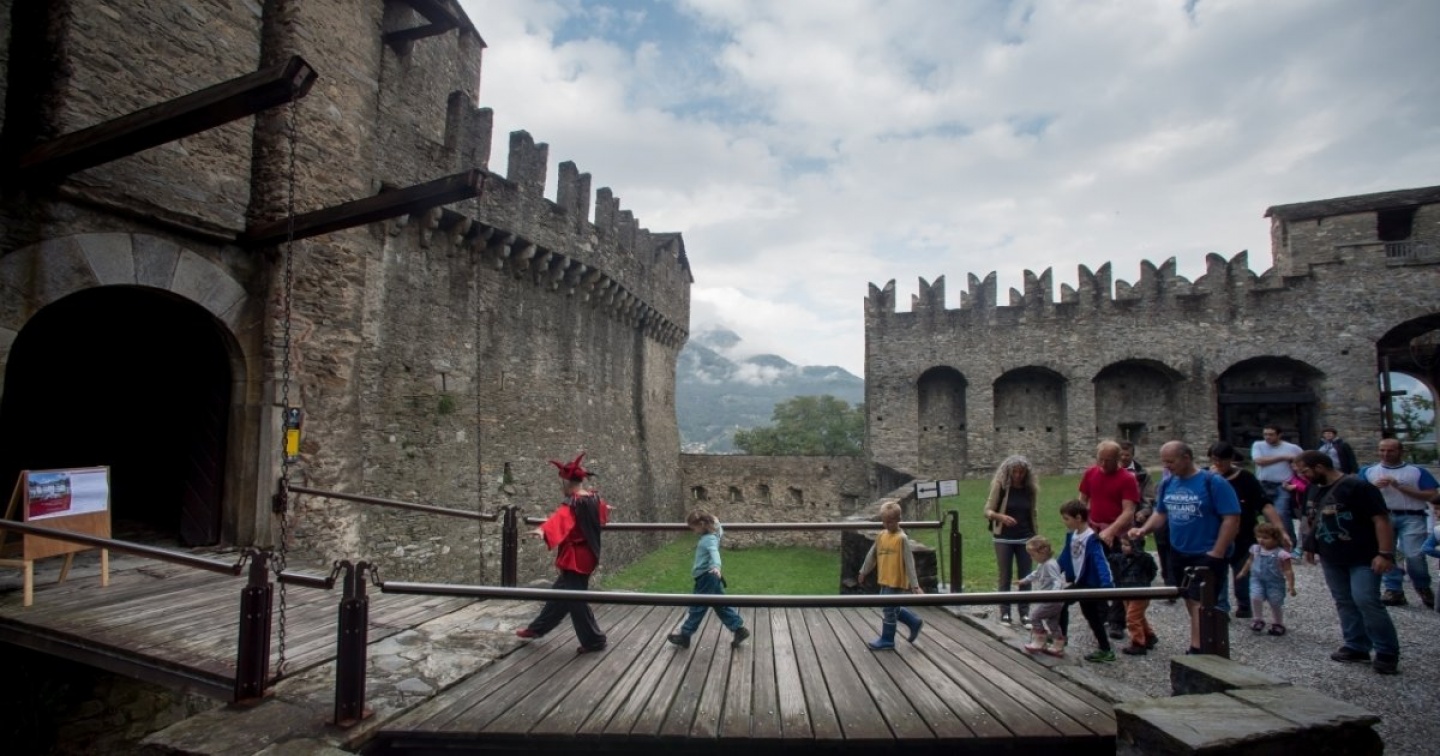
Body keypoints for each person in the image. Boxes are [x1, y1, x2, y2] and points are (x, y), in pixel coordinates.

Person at [1129, 440, 1240, 655]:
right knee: (1189, 598)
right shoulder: (1168, 483)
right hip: (1179, 552)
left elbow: (1231, 518)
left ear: (1186, 458)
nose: (1166, 466)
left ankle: (1199, 648)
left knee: (1201, 601)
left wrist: (1217, 552)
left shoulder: (1213, 482)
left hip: (1206, 552)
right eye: (1164, 462)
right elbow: (1161, 513)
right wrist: (1143, 530)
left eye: (1170, 461)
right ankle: (1204, 641)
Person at [1297, 450, 1400, 675]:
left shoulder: (1358, 487)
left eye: (1305, 471)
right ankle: (1356, 645)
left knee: (1366, 600)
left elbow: (1381, 519)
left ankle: (1386, 651)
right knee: (1343, 600)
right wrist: (1308, 545)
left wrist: (1385, 553)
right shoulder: (1312, 489)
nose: (1303, 476)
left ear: (1319, 467)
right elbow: (1310, 518)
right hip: (1331, 555)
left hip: (1363, 554)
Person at [516, 453, 610, 653]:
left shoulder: (573, 503)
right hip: (586, 555)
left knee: (576, 600)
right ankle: (537, 628)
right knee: (560, 595)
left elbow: (561, 518)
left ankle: (594, 640)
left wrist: (543, 530)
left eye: (562, 483)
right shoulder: (593, 498)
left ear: (567, 483)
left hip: (576, 559)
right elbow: (600, 512)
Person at [1208, 441, 1292, 618]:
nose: (1218, 464)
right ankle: (1220, 608)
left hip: (1243, 533)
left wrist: (1281, 530)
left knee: (1242, 570)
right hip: (1216, 534)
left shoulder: (1245, 478)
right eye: (1214, 460)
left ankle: (1245, 604)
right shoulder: (1207, 477)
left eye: (1222, 460)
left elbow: (1265, 505)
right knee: (1217, 570)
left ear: (1231, 458)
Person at [1362, 438, 1439, 609]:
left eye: (1391, 451)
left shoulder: (1417, 472)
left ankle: (1422, 585)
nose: (1386, 454)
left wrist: (1401, 487)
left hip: (1412, 515)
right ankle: (1393, 589)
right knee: (1388, 554)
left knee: (1414, 554)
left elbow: (1433, 495)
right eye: (1382, 450)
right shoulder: (1368, 472)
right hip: (1382, 516)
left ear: (1401, 452)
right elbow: (1357, 495)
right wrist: (1373, 487)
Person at [1078, 440, 1142, 639]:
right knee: (1094, 574)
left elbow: (1128, 511)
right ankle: (1102, 613)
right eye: (1101, 460)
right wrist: (1082, 524)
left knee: (1120, 577)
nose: (1104, 464)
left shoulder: (1127, 479)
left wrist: (1112, 531)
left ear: (1118, 459)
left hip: (1118, 534)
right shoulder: (1090, 473)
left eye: (1109, 460)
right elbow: (1082, 500)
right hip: (1094, 530)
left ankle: (1117, 622)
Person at [667, 509, 750, 650]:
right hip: (711, 577)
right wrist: (714, 520)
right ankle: (739, 629)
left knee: (698, 606)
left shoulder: (709, 539)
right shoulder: (715, 533)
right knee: (720, 605)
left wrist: (716, 566)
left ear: (702, 525)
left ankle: (685, 635)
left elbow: (714, 553)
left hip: (706, 577)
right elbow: (719, 527)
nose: (693, 531)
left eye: (694, 528)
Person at [858, 500, 924, 649]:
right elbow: (872, 555)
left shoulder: (902, 539)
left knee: (888, 609)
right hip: (884, 578)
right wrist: (863, 571)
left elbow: (909, 563)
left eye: (890, 522)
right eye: (884, 521)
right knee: (891, 607)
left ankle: (888, 639)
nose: (887, 525)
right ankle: (914, 622)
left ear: (898, 520)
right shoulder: (881, 536)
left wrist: (915, 586)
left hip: (896, 581)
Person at [1057, 499, 1117, 663]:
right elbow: (1065, 557)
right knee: (1089, 615)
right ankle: (1104, 649)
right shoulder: (1072, 535)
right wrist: (1053, 571)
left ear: (1078, 517)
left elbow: (1100, 561)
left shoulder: (1092, 539)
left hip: (1090, 584)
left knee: (1066, 604)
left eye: (1066, 518)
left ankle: (1061, 638)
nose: (1064, 522)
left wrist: (1106, 585)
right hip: (1080, 581)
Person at [983, 455, 1039, 625]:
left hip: (1025, 537)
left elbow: (1032, 513)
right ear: (1008, 472)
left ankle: (1024, 612)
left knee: (1026, 575)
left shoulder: (1029, 489)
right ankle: (1005, 612)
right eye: (1015, 472)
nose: (1018, 475)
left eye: (1021, 472)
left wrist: (1035, 535)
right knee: (1005, 575)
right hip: (1004, 538)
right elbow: (987, 511)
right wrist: (1001, 517)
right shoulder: (1000, 486)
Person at [1236, 522, 1296, 636]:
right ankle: (1257, 619)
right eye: (1259, 537)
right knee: (1255, 597)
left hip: (1275, 582)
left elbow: (1288, 570)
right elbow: (1250, 560)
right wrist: (1243, 572)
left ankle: (1278, 623)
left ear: (1276, 539)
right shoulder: (1255, 549)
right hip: (1257, 579)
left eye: (1266, 538)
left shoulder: (1281, 554)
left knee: (1275, 601)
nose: (1261, 540)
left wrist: (1291, 585)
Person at [1250, 425, 1304, 552]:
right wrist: (1284, 457)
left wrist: (1298, 474)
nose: (1267, 437)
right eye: (1265, 434)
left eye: (1271, 434)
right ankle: (1272, 543)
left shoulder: (1292, 448)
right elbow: (1259, 461)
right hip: (1263, 484)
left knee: (1281, 513)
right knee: (1268, 516)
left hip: (1283, 485)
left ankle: (1289, 545)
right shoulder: (1258, 445)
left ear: (1279, 435)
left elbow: (1304, 461)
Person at [1108, 536, 1159, 656]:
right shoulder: (1121, 558)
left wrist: (1144, 582)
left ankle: (1138, 644)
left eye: (1127, 545)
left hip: (1140, 592)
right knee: (1138, 616)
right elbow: (1109, 557)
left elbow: (1152, 571)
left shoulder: (1145, 558)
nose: (1123, 547)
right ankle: (1149, 636)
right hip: (1126, 591)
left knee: (1132, 618)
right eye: (1122, 544)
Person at [1016, 535, 1066, 656]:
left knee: (1035, 616)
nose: (1031, 558)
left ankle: (1040, 640)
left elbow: (1057, 580)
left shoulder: (1050, 564)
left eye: (1033, 555)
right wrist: (1024, 580)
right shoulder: (1043, 564)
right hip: (1053, 600)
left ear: (1042, 552)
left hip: (1052, 600)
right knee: (1053, 623)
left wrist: (1054, 594)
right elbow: (1035, 574)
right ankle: (1058, 645)